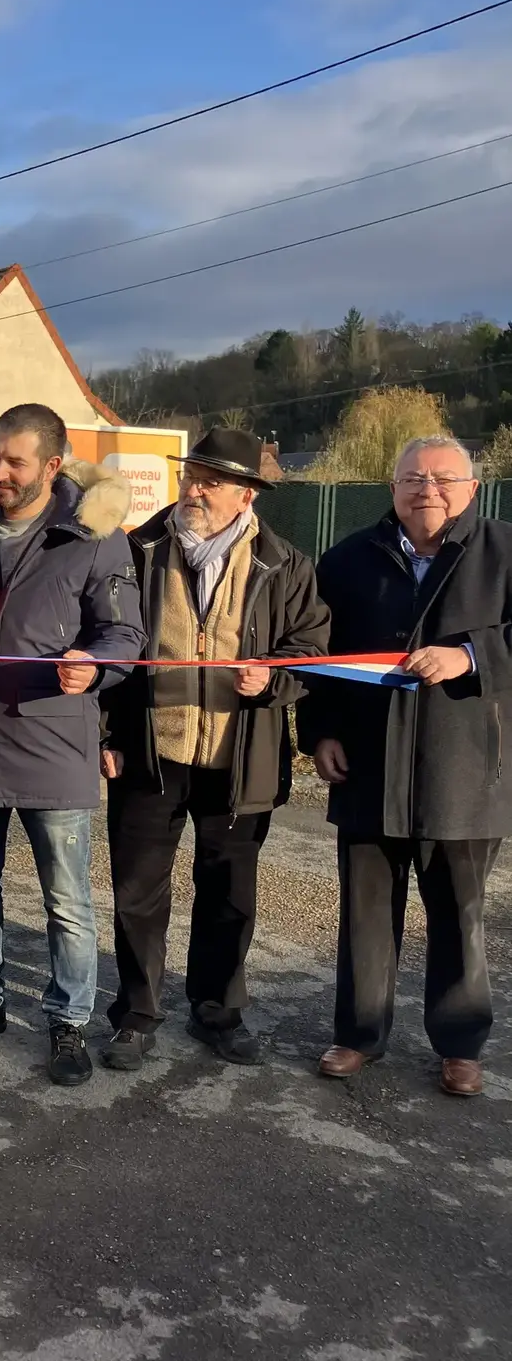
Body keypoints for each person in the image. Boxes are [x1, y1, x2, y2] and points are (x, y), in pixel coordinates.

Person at [0, 404, 144, 1085]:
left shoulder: (94, 537)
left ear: (52, 466)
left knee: (65, 901)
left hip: (53, 742)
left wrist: (96, 666)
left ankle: (69, 1019)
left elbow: (126, 636)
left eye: (15, 461)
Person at [100, 428, 330, 1069]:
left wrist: (275, 678)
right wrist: (105, 734)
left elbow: (312, 648)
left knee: (229, 892)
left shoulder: (285, 566)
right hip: (149, 750)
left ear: (247, 493)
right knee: (137, 892)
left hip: (241, 757)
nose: (194, 490)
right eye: (191, 475)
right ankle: (138, 1013)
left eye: (211, 481)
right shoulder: (137, 550)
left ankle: (216, 1011)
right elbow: (107, 640)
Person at [300, 435, 511, 1098]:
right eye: (413, 477)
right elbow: (317, 653)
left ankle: (460, 1044)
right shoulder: (346, 559)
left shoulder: (504, 551)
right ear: (392, 488)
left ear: (471, 488)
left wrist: (470, 656)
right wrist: (319, 733)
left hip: (467, 766)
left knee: (458, 910)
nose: (428, 489)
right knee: (365, 911)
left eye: (443, 478)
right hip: (369, 761)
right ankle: (359, 1034)